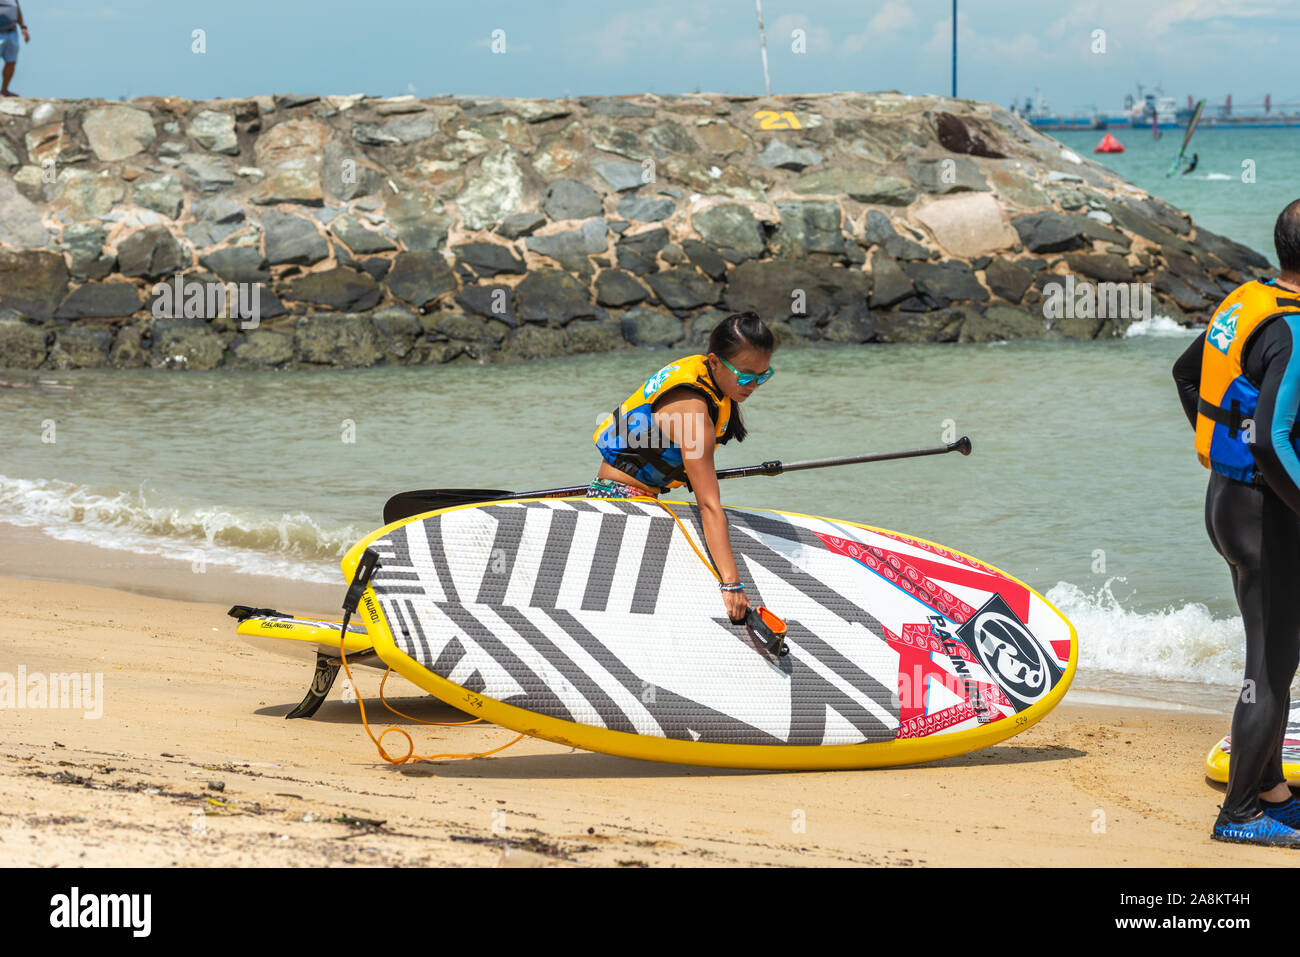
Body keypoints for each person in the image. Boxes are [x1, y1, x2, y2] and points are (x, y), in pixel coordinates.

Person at [1172, 197, 1300, 847]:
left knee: (1275, 654)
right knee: (1270, 668)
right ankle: (1241, 812)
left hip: (1227, 502)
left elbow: (1185, 374)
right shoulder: (1295, 330)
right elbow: (1276, 441)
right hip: (1266, 513)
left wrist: (1222, 452)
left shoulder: (1247, 301)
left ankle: (1272, 785)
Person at [590, 311, 776, 624]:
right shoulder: (692, 412)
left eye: (763, 376)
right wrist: (731, 584)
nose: (753, 385)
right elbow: (708, 505)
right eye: (745, 377)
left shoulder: (705, 379)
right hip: (621, 506)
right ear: (715, 362)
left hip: (624, 497)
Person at [0, 0, 29, 98]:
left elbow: (17, 10)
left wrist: (23, 28)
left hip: (12, 32)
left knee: (11, 61)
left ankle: (4, 91)